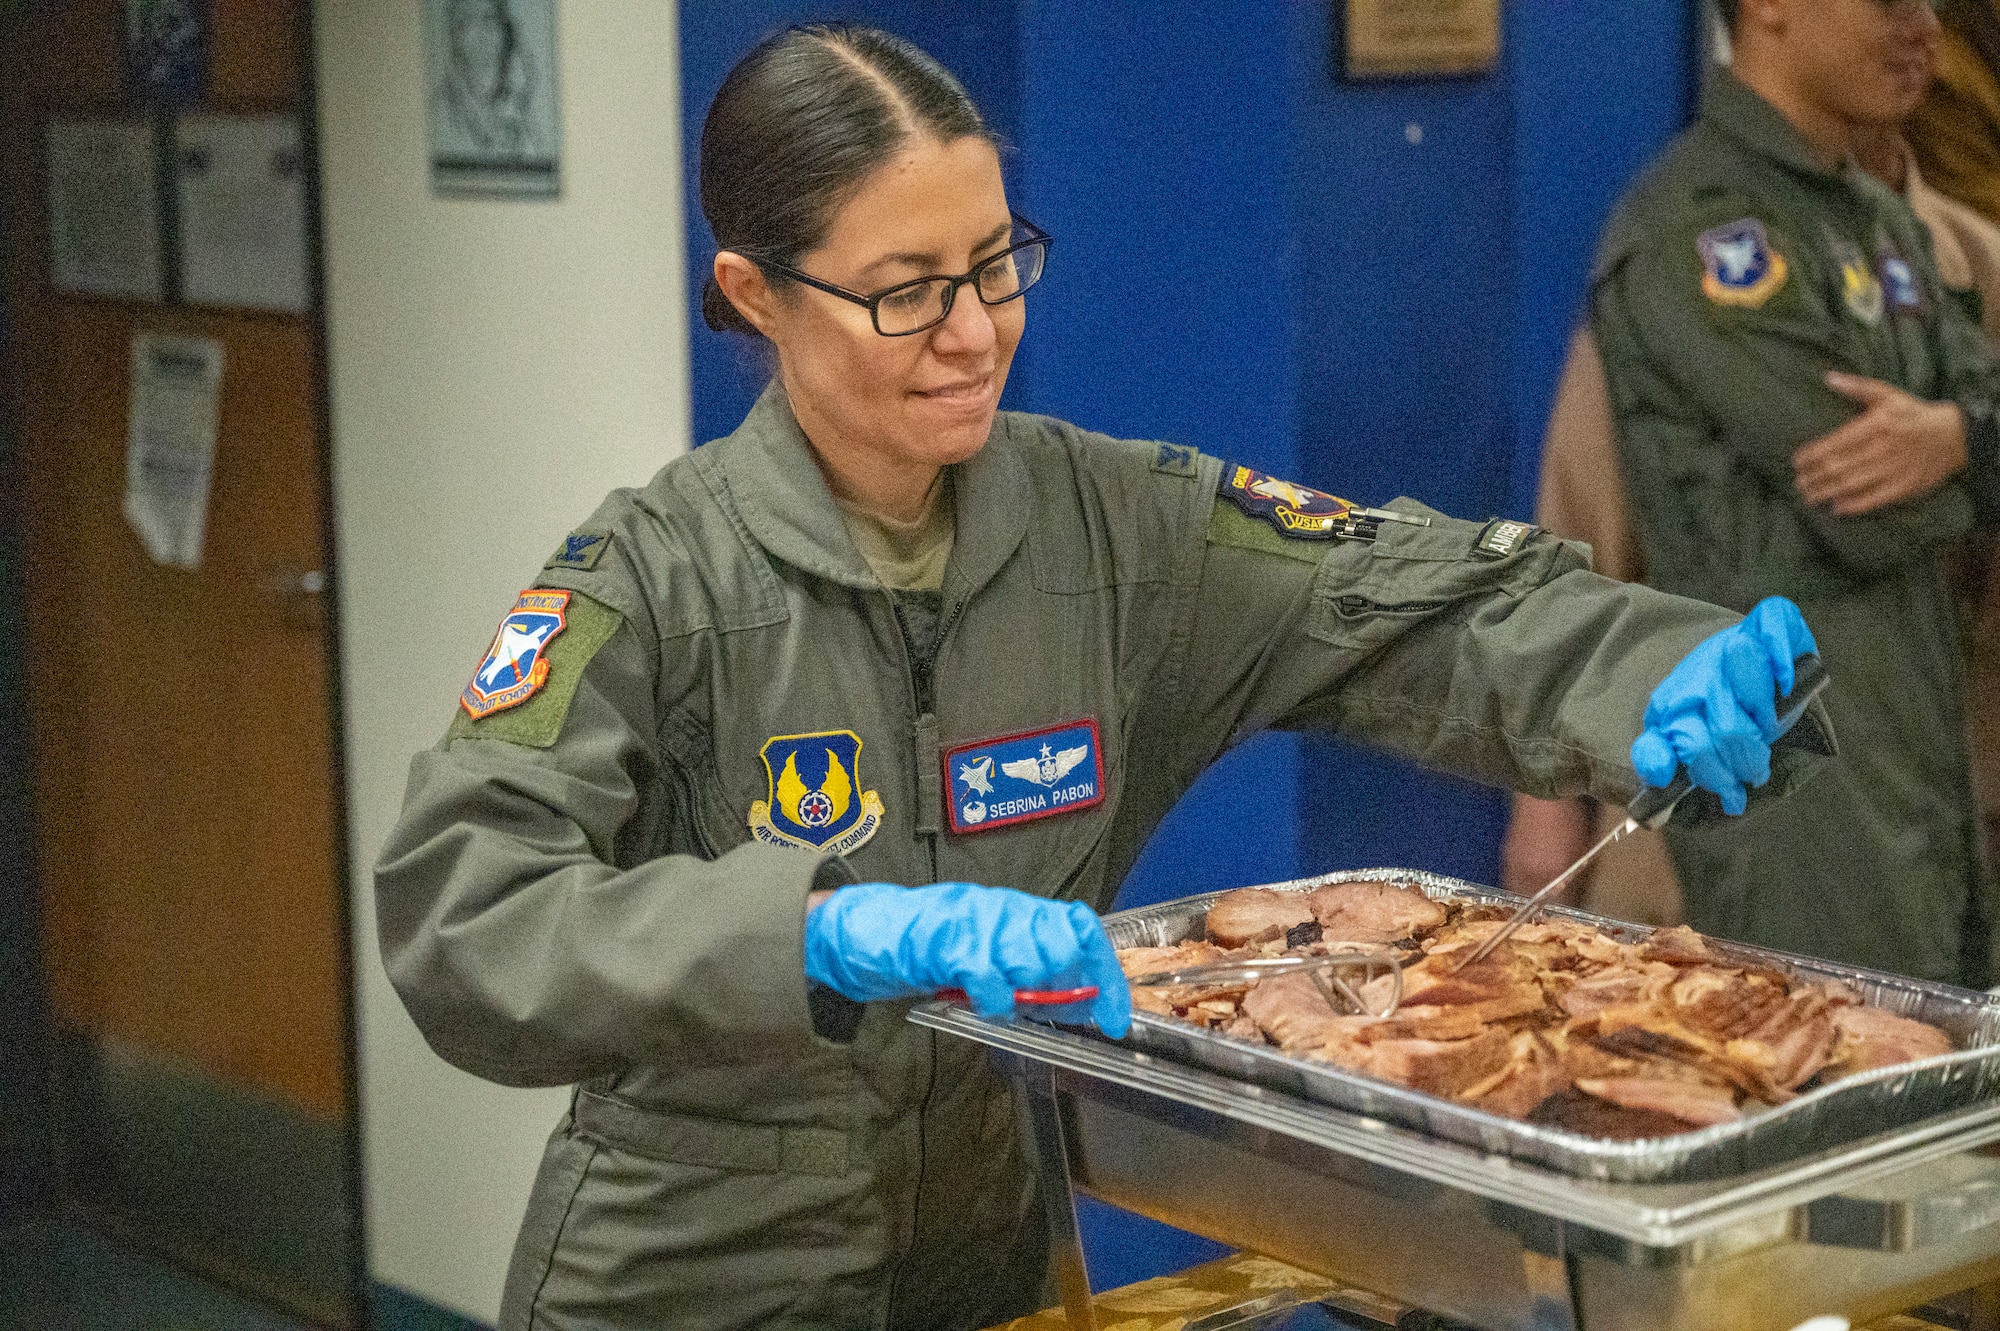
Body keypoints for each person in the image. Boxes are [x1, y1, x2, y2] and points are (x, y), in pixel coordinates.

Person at [375, 25, 1833, 1331]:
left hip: (992, 1266)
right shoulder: (652, 578)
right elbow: (467, 911)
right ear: (756, 294)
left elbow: (1407, 603)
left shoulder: (1114, 528)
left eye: (996, 264)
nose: (975, 329)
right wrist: (817, 929)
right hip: (686, 1282)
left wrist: (1651, 663)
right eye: (905, 293)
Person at [1592, 0, 2000, 987]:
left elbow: (1973, 414)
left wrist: (1956, 439)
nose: (1923, 33)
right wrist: (1967, 461)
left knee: (1947, 1114)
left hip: (1922, 756)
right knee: (1830, 1097)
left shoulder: (1879, 217)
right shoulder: (1698, 230)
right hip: (1795, 779)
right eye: (1888, 2)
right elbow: (1866, 518)